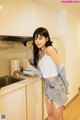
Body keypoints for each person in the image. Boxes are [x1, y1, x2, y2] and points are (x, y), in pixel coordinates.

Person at [22, 27, 69, 120]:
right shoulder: (40, 54)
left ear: (46, 39)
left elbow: (61, 68)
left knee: (60, 117)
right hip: (47, 85)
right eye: (36, 38)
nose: (37, 41)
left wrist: (66, 86)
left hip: (56, 85)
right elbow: (41, 74)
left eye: (40, 38)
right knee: (50, 114)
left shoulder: (49, 49)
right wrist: (29, 66)